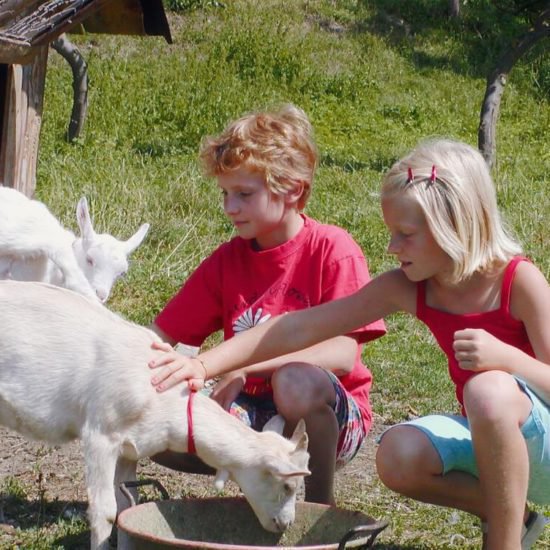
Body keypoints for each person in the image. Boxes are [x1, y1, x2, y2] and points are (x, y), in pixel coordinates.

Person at [150, 137, 550, 549]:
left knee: (486, 389)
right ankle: (510, 514)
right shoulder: (409, 287)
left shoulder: (520, 282)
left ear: (453, 227)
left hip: (543, 444)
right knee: (397, 454)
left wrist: (508, 360)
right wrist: (203, 366)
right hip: (498, 448)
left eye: (406, 234)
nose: (392, 247)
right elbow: (295, 329)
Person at [149, 103, 386, 505]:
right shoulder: (227, 261)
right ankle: (263, 490)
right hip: (250, 409)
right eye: (225, 193)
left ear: (292, 189)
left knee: (294, 381)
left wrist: (242, 366)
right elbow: (160, 335)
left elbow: (344, 354)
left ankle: (317, 508)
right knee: (155, 422)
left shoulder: (332, 249)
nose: (229, 208)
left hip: (327, 416)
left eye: (244, 194)